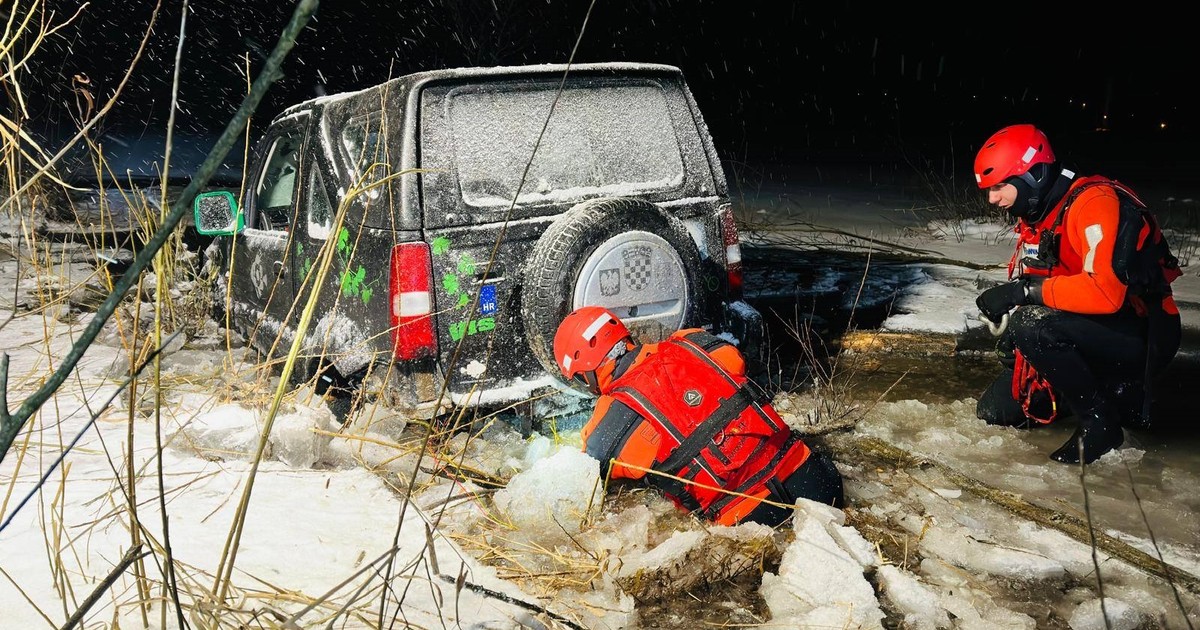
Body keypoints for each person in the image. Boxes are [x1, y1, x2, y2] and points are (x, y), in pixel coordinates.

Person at [971, 123, 1182, 464]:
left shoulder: (1094, 203)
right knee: (995, 411)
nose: (992, 199)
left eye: (999, 186)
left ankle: (1101, 421)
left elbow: (1105, 293)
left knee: (1033, 325)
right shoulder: (1041, 211)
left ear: (1034, 176)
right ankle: (1089, 392)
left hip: (1143, 331)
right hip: (1092, 326)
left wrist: (1023, 292)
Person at [552, 306, 844, 527]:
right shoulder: (691, 341)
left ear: (587, 372)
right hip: (816, 478)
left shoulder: (609, 420)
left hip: (753, 519)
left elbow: (589, 476)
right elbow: (734, 359)